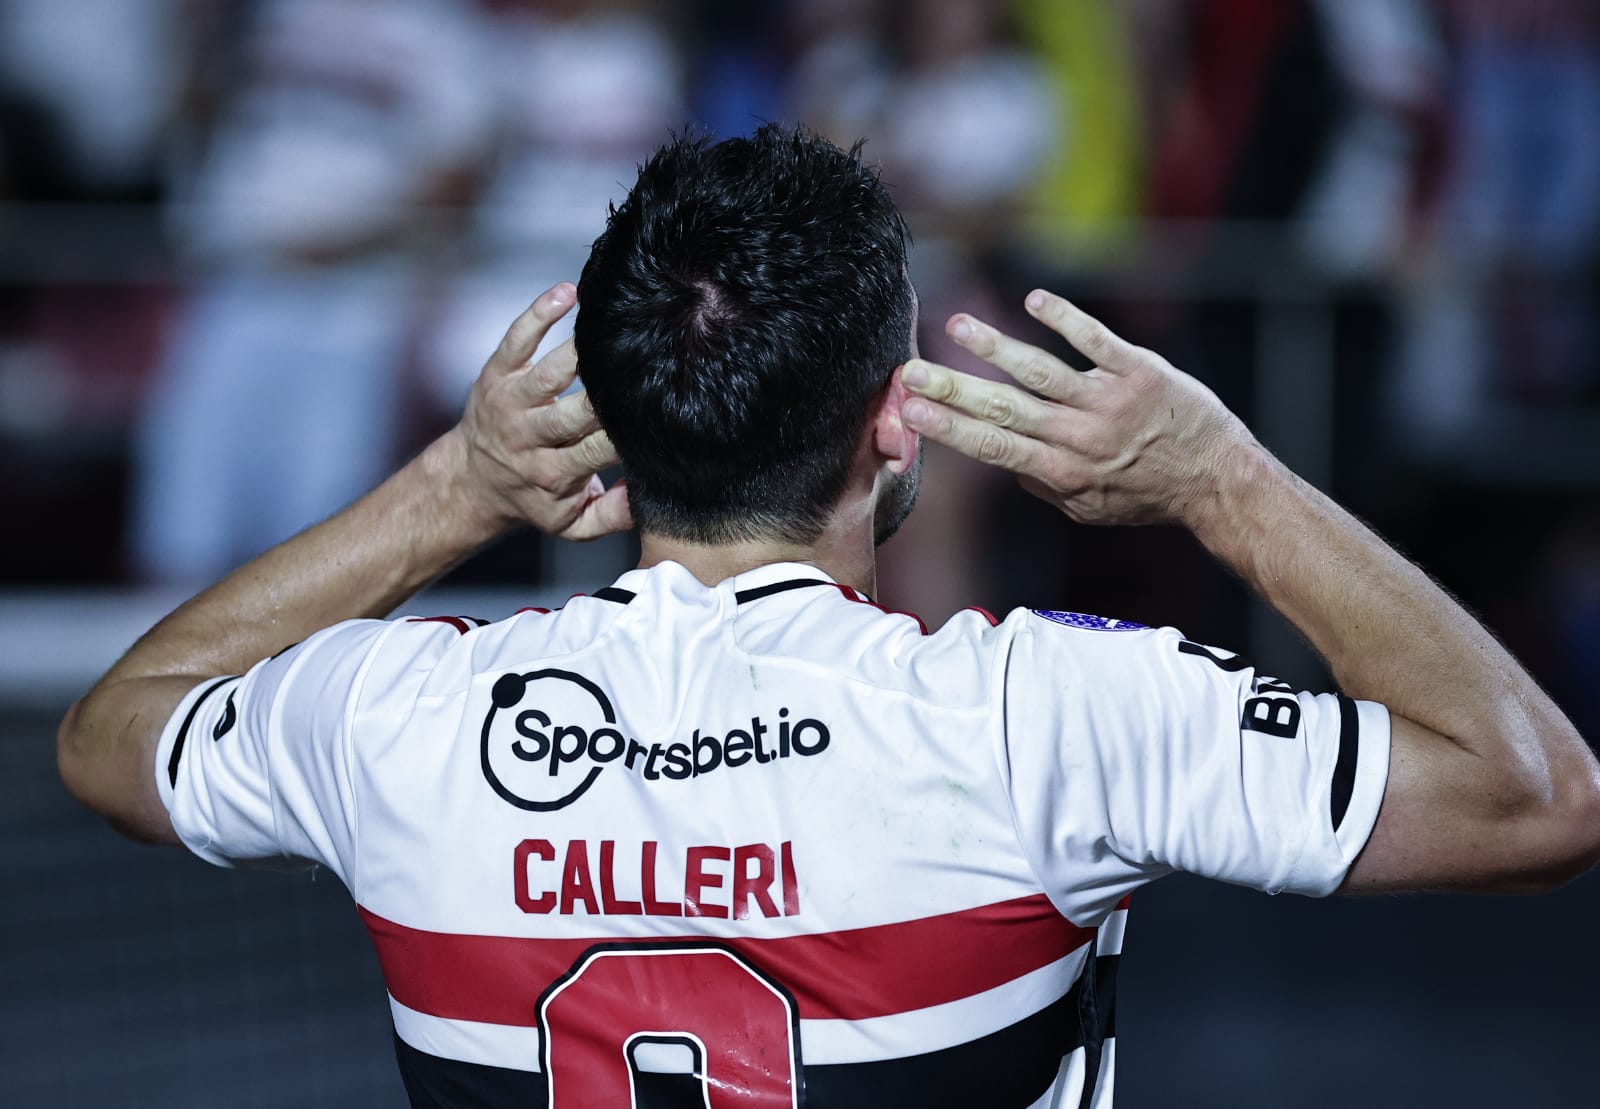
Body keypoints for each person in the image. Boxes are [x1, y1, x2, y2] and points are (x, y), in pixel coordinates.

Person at [59, 126, 1600, 1108]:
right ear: (895, 422)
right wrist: (1223, 475)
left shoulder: (399, 718)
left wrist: (455, 489)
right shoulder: (1037, 721)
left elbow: (110, 738)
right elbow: (1535, 794)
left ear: (615, 415)